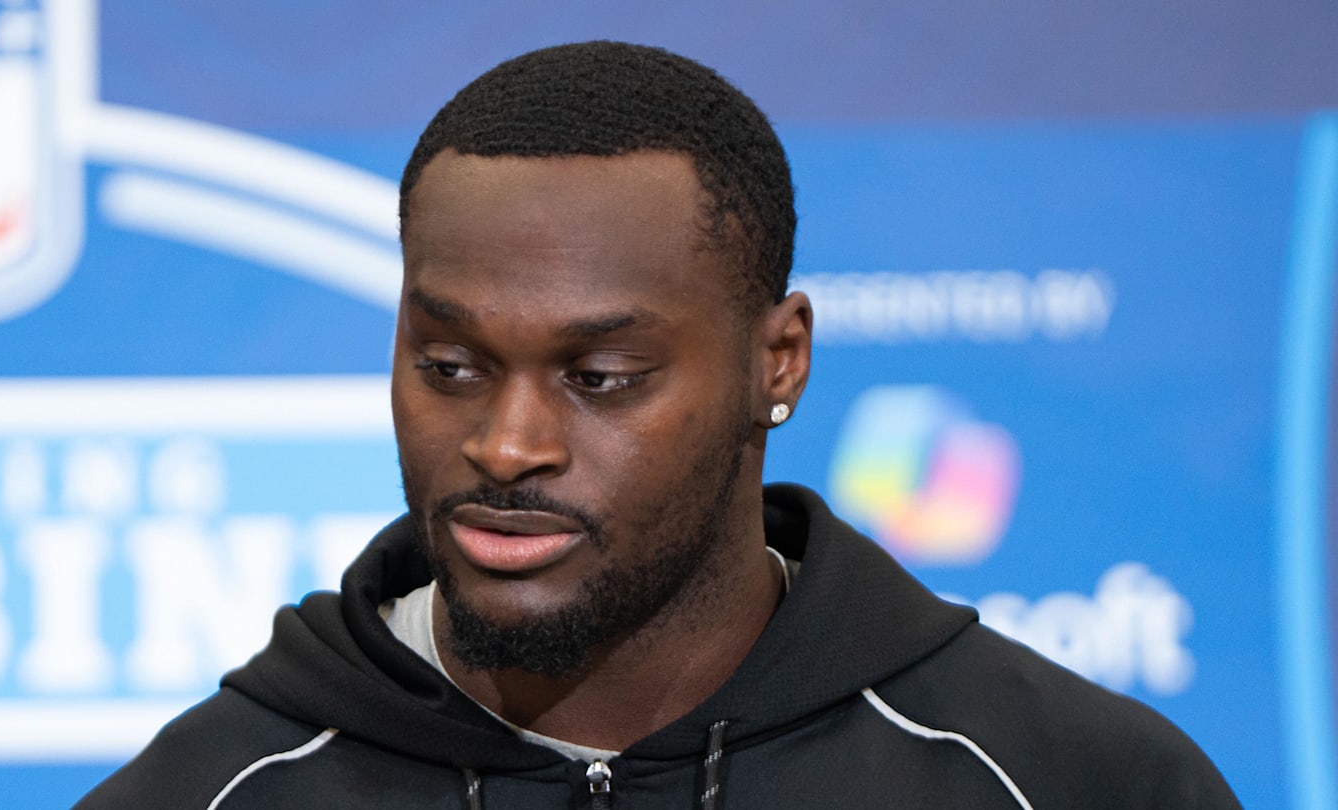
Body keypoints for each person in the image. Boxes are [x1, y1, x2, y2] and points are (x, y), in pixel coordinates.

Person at [78, 41, 1239, 809]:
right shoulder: (210, 792)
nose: (506, 442)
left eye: (603, 376)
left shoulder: (1066, 781)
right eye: (451, 364)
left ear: (775, 362)